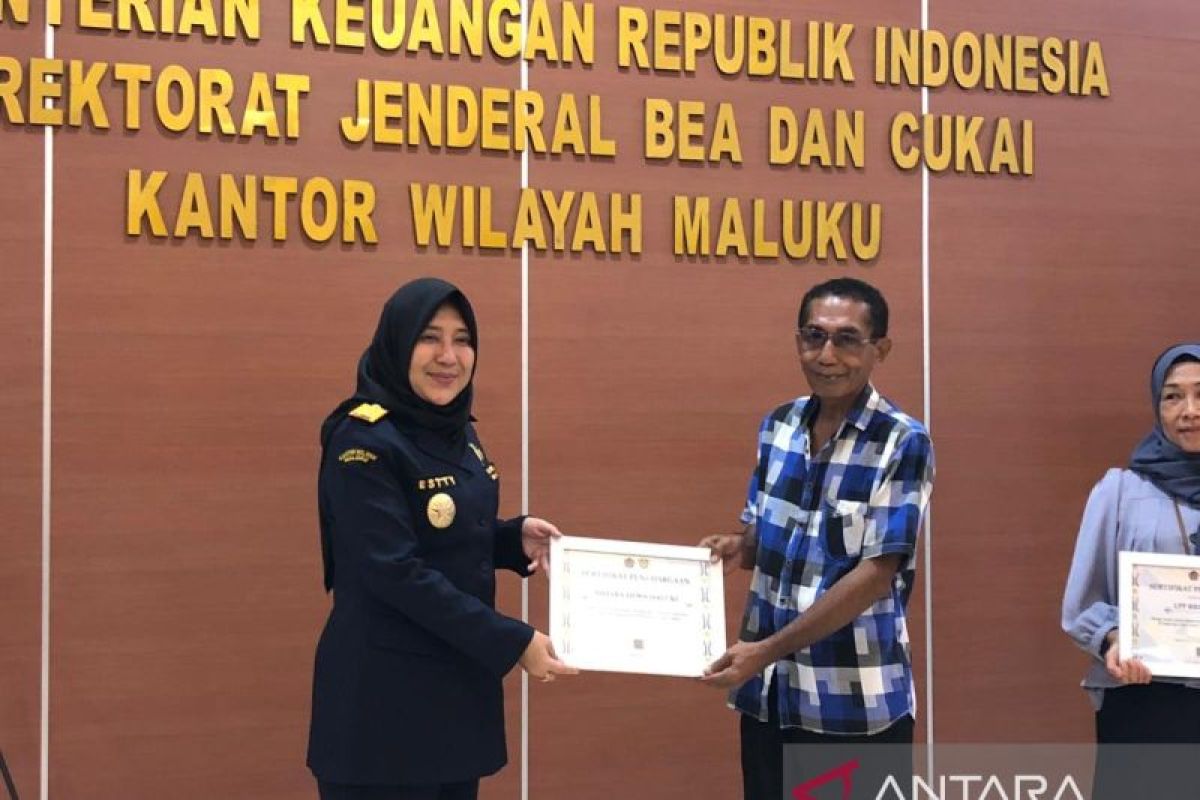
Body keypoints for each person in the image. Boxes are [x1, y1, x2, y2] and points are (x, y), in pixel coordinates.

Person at [307, 277, 577, 800]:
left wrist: (511, 539)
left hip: (452, 701)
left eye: (463, 339)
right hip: (381, 715)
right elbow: (394, 571)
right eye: (429, 338)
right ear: (398, 342)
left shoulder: (453, 429)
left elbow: (442, 532)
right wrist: (515, 641)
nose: (449, 357)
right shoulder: (362, 441)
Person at [701, 277, 934, 800]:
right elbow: (767, 534)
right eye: (814, 336)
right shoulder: (778, 425)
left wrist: (765, 650)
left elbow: (876, 575)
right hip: (770, 699)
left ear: (880, 350)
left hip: (852, 706)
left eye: (847, 339)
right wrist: (739, 546)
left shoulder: (902, 440)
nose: (827, 355)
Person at [1062, 342, 1200, 798]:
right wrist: (1116, 638)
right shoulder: (1120, 491)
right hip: (1146, 698)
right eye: (1173, 396)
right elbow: (1084, 600)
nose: (1189, 410)